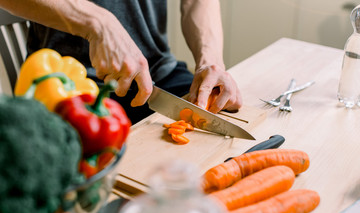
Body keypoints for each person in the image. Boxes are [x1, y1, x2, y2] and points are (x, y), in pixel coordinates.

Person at [0, 0, 242, 123]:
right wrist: (97, 23)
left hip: (158, 78)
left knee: (224, 139)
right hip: (63, 87)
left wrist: (210, 61)